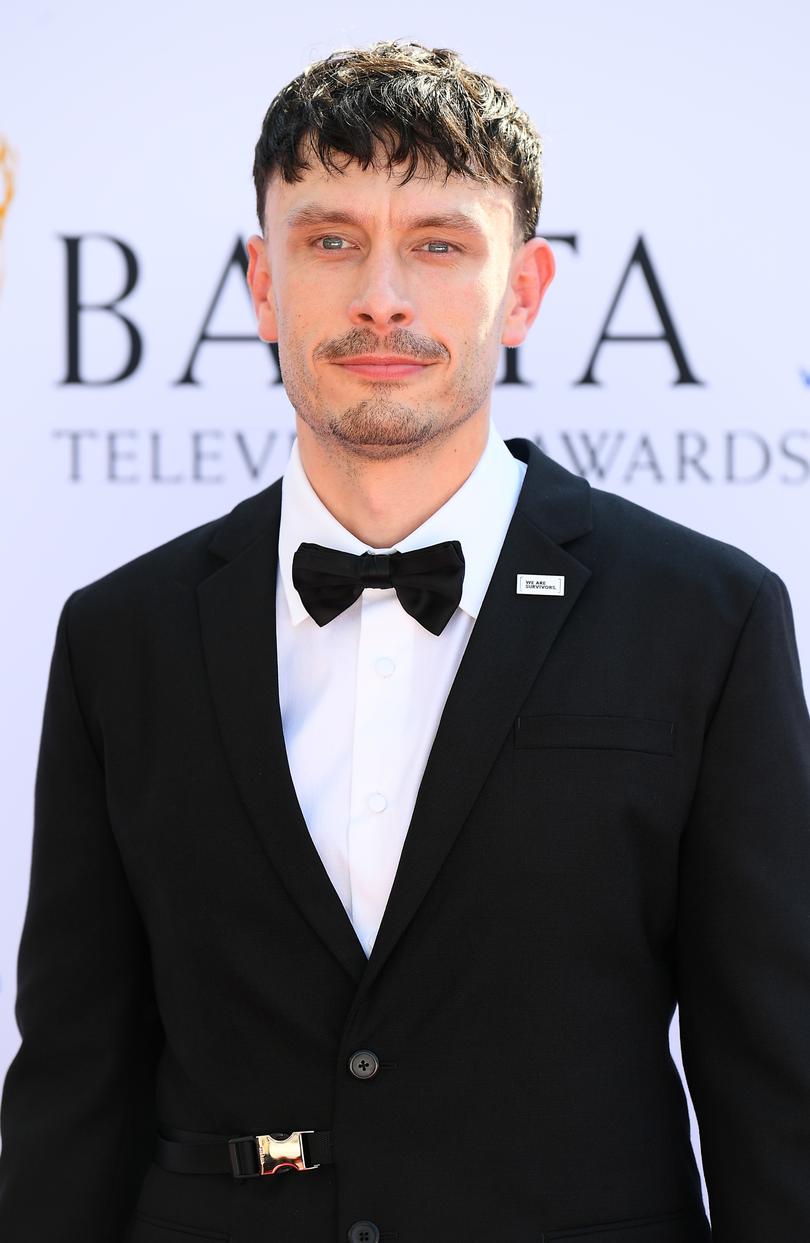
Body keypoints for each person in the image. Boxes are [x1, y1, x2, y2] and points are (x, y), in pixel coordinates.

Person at [1, 38, 809, 1243]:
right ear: (263, 286)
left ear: (524, 291)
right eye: (330, 240)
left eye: (438, 243)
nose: (382, 293)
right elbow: (74, 1081)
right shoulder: (122, 635)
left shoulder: (708, 618)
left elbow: (776, 1087)